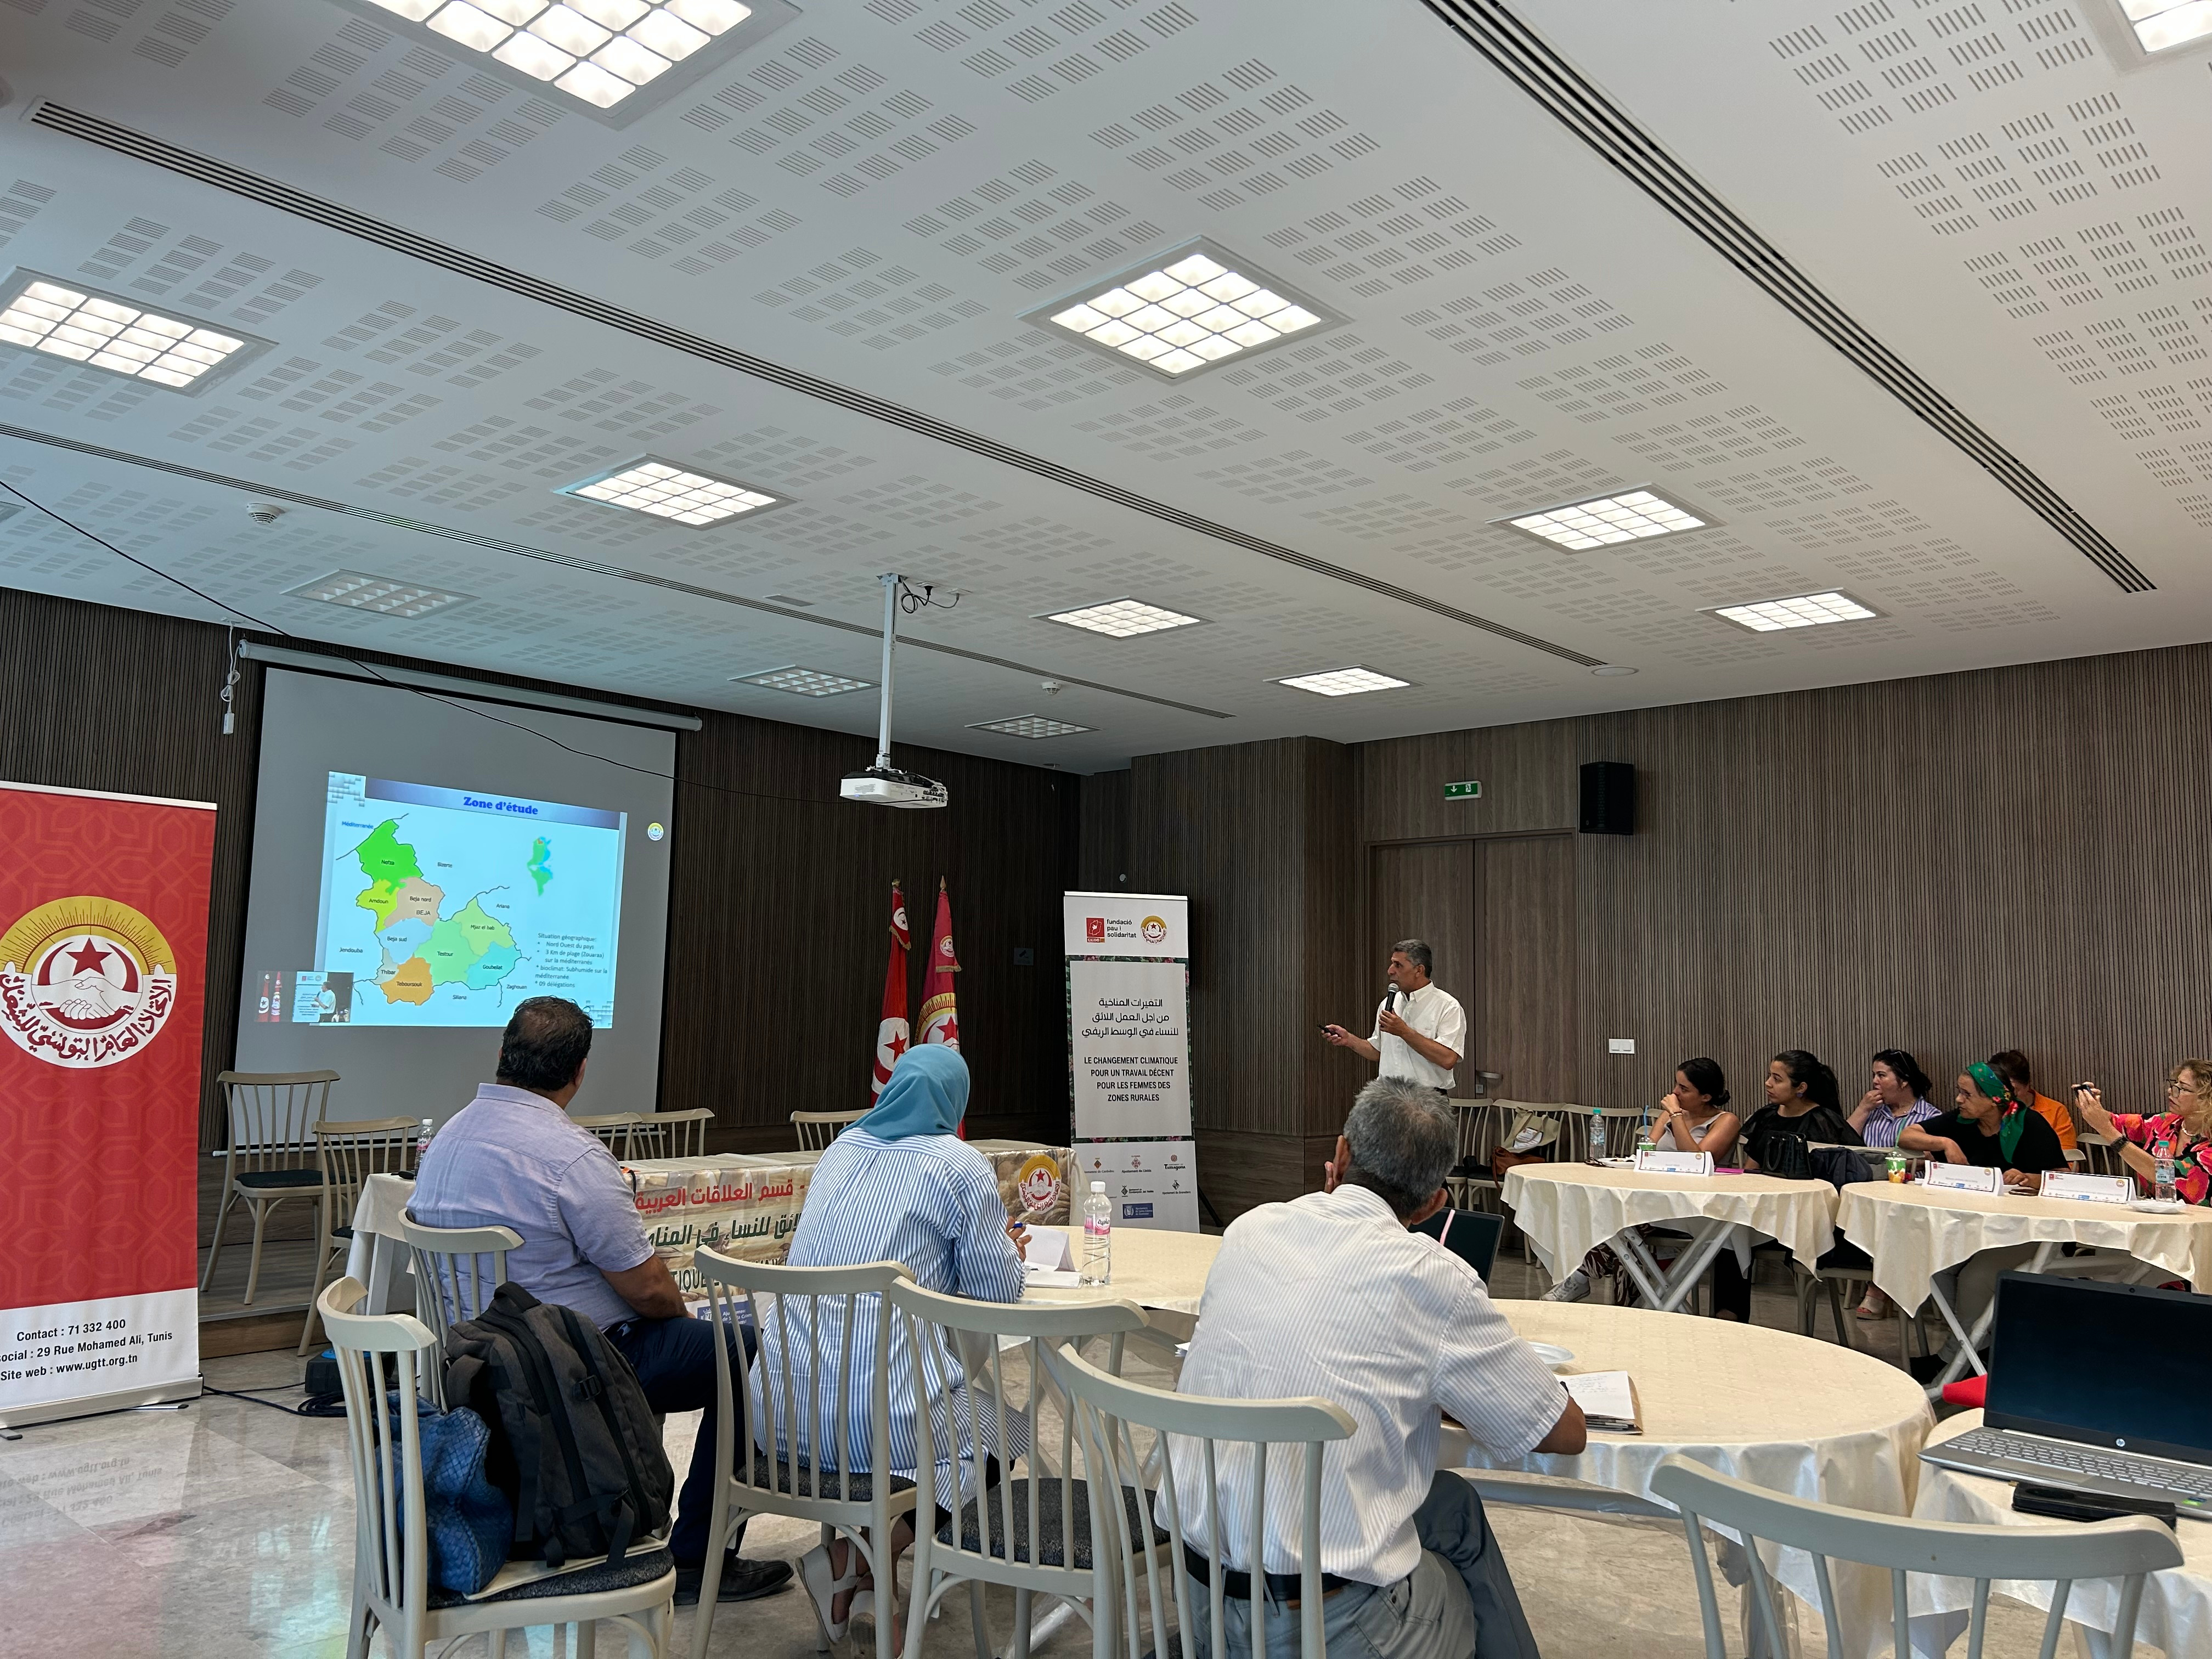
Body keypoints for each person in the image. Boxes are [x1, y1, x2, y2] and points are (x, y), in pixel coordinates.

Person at [1173, 1076, 1584, 1659]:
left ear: (1340, 1155)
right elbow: (1562, 1432)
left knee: (1452, 1506)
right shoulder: (1433, 1276)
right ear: (1434, 1203)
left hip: (1197, 1597)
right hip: (1325, 1625)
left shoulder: (1249, 1230)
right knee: (1465, 1596)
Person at [410, 997, 791, 1605]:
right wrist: (678, 1319)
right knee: (748, 1354)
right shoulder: (573, 1157)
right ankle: (700, 1558)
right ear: (579, 1071)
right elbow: (648, 1289)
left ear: (502, 1055)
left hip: (471, 1358)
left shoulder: (448, 1137)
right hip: (566, 1371)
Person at [762, 1045, 1028, 1640]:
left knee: (943, 1416)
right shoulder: (958, 1164)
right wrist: (1008, 1253)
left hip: (777, 1415)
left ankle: (858, 1571)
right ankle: (863, 1555)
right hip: (873, 1426)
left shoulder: (840, 1149)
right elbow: (996, 1293)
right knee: (1003, 1434)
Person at [1899, 1062, 2072, 1380]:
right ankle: (1978, 1351)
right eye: (1959, 1092)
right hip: (1978, 1228)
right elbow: (1907, 1136)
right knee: (1936, 1266)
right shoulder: (1961, 1122)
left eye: (1967, 1094)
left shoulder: (2030, 1124)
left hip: (2028, 1231)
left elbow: (2064, 1179)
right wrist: (1945, 1143)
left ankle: (1955, 1361)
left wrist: (2030, 1178)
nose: (1959, 1100)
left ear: (1993, 1098)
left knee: (1975, 1278)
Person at [1542, 1057, 1738, 1305]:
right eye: (1676, 1085)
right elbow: (1646, 1153)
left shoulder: (1725, 1121)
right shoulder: (1668, 1116)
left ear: (1706, 1097)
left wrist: (1676, 1115)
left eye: (1684, 1089)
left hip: (1695, 1206)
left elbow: (1696, 1160)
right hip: (1655, 1199)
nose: (1675, 1093)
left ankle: (1580, 1278)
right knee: (1616, 1221)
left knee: (1623, 1226)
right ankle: (1621, 1302)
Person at [1321, 939, 1466, 1093]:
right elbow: (1378, 1052)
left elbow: (1448, 1059)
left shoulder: (1447, 1006)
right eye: (1392, 964)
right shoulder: (1389, 1003)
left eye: (1398, 965)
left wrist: (1404, 1032)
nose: (1390, 971)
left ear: (1419, 970)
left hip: (1426, 1098)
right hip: (1387, 1095)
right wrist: (1349, 1040)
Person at [2074, 1059, 2212, 1204]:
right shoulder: (2165, 1122)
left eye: (2182, 1088)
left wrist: (2107, 1131)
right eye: (2175, 1084)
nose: (2171, 1090)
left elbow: (2167, 1176)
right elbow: (2114, 1122)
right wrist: (2090, 1104)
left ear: (2207, 1099)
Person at [1988, 1049, 2080, 1153]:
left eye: (2012, 1089)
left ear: (2027, 1085)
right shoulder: (1984, 1110)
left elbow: (2068, 1159)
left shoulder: (2055, 1112)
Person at [1847, 1050, 1941, 1148]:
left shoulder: (1931, 1117)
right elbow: (1844, 1143)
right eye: (1874, 1075)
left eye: (1881, 1075)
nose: (1874, 1081)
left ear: (1904, 1081)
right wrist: (1863, 1109)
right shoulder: (1872, 1110)